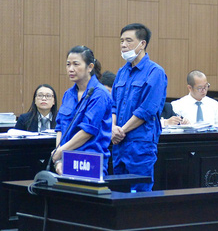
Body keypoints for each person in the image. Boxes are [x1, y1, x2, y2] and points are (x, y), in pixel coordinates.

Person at [111, 23, 167, 191]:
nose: (123, 45)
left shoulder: (155, 72)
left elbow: (147, 110)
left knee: (139, 194)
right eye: (121, 41)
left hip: (140, 144)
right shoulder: (121, 72)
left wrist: (121, 131)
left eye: (129, 41)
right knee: (118, 193)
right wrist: (112, 128)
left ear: (142, 44)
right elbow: (113, 105)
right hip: (118, 143)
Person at [52, 46, 113, 175]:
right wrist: (59, 159)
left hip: (90, 161)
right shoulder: (68, 94)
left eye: (76, 64)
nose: (70, 69)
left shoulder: (100, 94)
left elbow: (87, 131)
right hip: (67, 159)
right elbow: (60, 127)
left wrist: (61, 151)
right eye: (68, 64)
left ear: (90, 67)